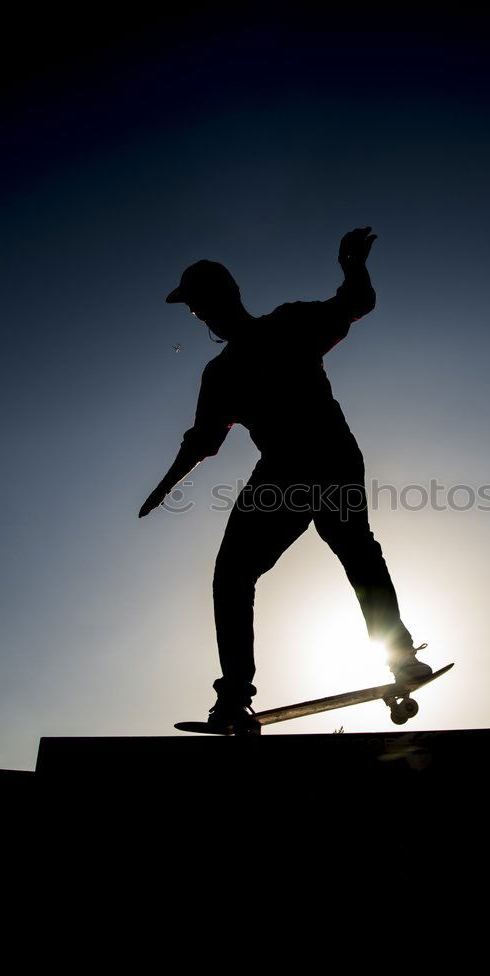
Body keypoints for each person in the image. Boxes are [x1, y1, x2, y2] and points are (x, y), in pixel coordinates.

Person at [139, 227, 432, 733]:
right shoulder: (228, 368)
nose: (201, 316)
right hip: (301, 465)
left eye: (202, 306)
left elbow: (356, 301)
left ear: (225, 298)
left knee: (348, 551)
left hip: (311, 461)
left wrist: (353, 266)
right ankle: (236, 697)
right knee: (264, 567)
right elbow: (203, 441)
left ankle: (396, 659)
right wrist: (165, 485)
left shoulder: (285, 327)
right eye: (195, 310)